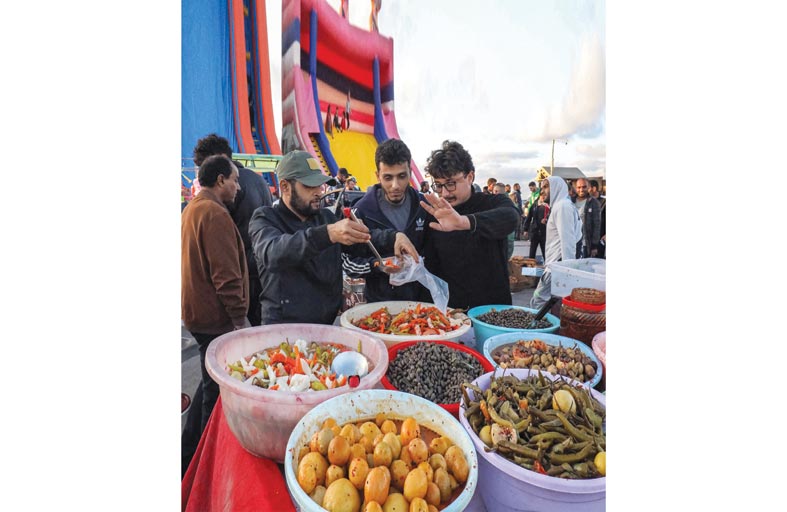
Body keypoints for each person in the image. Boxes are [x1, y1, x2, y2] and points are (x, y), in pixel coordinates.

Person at [249, 150, 418, 325]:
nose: (318, 192)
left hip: (326, 324)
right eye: (309, 186)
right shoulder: (265, 218)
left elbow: (359, 239)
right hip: (283, 327)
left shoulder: (326, 217)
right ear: (285, 186)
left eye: (319, 185)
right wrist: (328, 234)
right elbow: (274, 252)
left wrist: (393, 237)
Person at [181, 155, 250, 475]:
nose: (239, 187)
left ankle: (189, 453)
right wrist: (239, 320)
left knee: (208, 383)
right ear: (220, 180)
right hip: (214, 319)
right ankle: (203, 465)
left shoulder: (193, 208)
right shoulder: (214, 214)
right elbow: (226, 277)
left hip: (197, 315)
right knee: (214, 394)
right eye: (235, 180)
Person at [419, 140, 520, 310]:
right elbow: (431, 265)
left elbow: (511, 217)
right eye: (439, 186)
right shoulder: (435, 213)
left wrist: (464, 222)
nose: (445, 193)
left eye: (451, 184)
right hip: (451, 312)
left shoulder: (492, 202)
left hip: (492, 310)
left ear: (470, 177)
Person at [192, 133, 273, 327]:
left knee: (242, 338)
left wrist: (237, 317)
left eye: (207, 166)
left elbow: (222, 258)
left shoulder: (225, 194)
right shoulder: (258, 180)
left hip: (240, 278)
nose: (203, 175)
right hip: (262, 269)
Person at [344, 138, 430, 302]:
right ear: (378, 176)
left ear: (410, 173)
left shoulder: (424, 206)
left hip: (420, 302)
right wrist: (378, 265)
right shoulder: (361, 211)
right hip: (380, 305)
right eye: (388, 178)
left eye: (402, 176)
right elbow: (349, 262)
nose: (395, 185)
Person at [530, 176, 582, 309]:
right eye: (541, 187)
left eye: (546, 187)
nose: (542, 191)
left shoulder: (562, 206)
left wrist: (567, 270)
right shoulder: (562, 205)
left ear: (557, 187)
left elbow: (568, 240)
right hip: (558, 265)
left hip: (558, 266)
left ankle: (538, 324)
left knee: (538, 302)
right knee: (554, 304)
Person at [572, 178, 601, 258]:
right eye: (579, 187)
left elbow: (597, 225)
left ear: (589, 187)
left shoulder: (594, 202)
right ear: (575, 188)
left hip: (585, 244)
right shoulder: (571, 201)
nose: (581, 190)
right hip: (571, 242)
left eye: (584, 187)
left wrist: (594, 246)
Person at [523, 193, 549, 260]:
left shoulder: (547, 206)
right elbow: (529, 217)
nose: (543, 197)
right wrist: (525, 229)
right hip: (535, 230)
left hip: (544, 231)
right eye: (542, 195)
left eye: (545, 196)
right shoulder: (534, 205)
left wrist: (547, 220)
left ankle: (547, 264)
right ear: (539, 196)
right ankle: (530, 264)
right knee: (532, 250)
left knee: (545, 251)